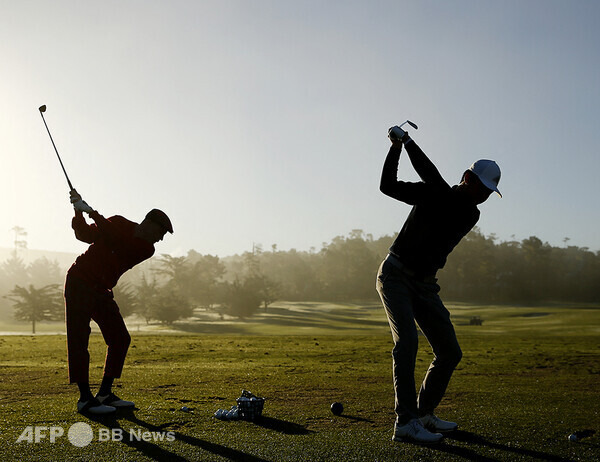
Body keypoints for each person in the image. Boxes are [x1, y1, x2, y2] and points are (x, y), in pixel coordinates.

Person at [376, 124, 501, 443]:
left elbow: (438, 186)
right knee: (407, 344)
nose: (484, 196)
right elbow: (386, 186)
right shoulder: (436, 192)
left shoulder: (469, 214)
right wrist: (396, 148)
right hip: (395, 275)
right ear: (468, 178)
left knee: (449, 351)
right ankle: (405, 422)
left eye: (489, 193)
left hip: (425, 285)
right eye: (482, 188)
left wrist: (407, 142)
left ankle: (424, 414)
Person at [65, 190, 173, 414]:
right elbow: (84, 235)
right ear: (148, 223)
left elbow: (118, 240)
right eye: (160, 232)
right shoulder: (118, 222)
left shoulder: (146, 249)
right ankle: (85, 399)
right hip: (79, 281)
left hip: (101, 290)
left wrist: (93, 212)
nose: (161, 239)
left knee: (120, 338)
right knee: (79, 339)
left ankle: (104, 393)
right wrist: (78, 209)